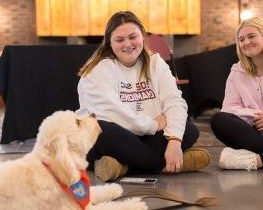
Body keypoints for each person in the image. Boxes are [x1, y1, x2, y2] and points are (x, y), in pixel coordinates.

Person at [77, 11, 210, 182]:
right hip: (117, 135)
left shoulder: (156, 63)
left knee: (188, 129)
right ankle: (174, 163)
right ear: (109, 43)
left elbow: (174, 101)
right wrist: (154, 124)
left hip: (144, 138)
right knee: (100, 129)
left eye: (133, 37)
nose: (128, 44)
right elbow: (111, 114)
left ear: (143, 36)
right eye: (119, 40)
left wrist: (175, 141)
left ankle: (121, 166)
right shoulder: (97, 69)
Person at [211, 16, 263, 171]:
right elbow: (229, 108)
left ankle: (257, 159)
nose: (246, 42)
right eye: (241, 39)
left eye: (251, 36)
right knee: (219, 120)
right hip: (253, 131)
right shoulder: (236, 71)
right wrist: (256, 116)